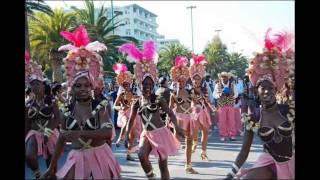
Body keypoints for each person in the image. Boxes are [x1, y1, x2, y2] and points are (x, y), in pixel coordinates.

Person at [41, 25, 121, 179]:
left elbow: (106, 133)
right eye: (78, 85)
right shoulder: (67, 110)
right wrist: (51, 168)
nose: (82, 89)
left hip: (100, 156)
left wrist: (80, 133)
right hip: (77, 156)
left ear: (92, 86)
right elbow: (62, 138)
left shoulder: (100, 106)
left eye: (86, 85)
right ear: (72, 87)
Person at [225, 29, 295, 179]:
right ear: (256, 90)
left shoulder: (288, 110)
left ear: (276, 89)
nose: (267, 91)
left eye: (271, 88)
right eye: (263, 87)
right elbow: (244, 150)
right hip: (268, 162)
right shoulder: (253, 117)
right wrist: (230, 175)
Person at [119, 40, 184, 179]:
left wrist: (177, 127)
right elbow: (130, 120)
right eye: (144, 84)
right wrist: (125, 136)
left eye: (149, 84)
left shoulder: (158, 99)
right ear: (140, 84)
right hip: (146, 134)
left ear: (153, 85)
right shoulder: (137, 101)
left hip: (160, 133)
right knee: (141, 155)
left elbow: (171, 113)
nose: (147, 87)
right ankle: (151, 176)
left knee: (162, 165)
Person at [25, 51, 60, 179]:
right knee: (29, 156)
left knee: (51, 166)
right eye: (32, 84)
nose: (34, 87)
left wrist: (48, 132)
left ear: (43, 86)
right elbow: (27, 123)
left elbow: (57, 118)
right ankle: (37, 174)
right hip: (34, 132)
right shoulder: (28, 103)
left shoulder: (51, 100)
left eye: (37, 84)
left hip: (50, 132)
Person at [168, 56, 199, 174]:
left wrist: (195, 108)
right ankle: (163, 158)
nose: (182, 82)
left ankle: (188, 165)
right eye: (180, 80)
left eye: (184, 80)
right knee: (175, 141)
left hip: (189, 118)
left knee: (189, 141)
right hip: (179, 119)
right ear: (176, 80)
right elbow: (170, 109)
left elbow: (194, 103)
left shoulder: (190, 92)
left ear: (186, 80)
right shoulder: (173, 94)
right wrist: (168, 119)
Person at [189, 54, 217, 160]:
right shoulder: (189, 89)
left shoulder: (204, 88)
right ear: (192, 80)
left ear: (201, 80)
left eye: (198, 80)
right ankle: (194, 142)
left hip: (203, 112)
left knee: (205, 132)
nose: (196, 81)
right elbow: (189, 100)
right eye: (195, 80)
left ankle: (204, 152)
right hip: (194, 112)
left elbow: (207, 100)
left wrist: (212, 107)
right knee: (195, 130)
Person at [113, 63, 142, 161]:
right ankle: (120, 139)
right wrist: (121, 108)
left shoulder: (134, 93)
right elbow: (114, 106)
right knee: (126, 123)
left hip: (133, 115)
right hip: (124, 114)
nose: (125, 86)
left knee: (132, 137)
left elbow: (141, 101)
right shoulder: (121, 94)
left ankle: (129, 154)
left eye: (127, 84)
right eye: (123, 84)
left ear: (130, 83)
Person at [214, 71, 238, 141]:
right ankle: (223, 135)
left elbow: (236, 94)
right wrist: (219, 95)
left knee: (231, 120)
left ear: (228, 78)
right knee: (222, 120)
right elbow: (214, 95)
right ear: (220, 78)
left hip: (230, 104)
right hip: (221, 105)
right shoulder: (217, 85)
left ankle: (232, 135)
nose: (224, 79)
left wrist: (232, 94)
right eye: (222, 77)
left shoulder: (232, 85)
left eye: (225, 77)